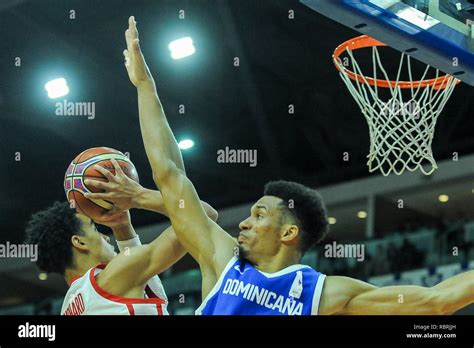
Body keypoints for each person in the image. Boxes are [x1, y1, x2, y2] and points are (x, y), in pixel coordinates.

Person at [86, 16, 474, 315]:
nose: (243, 223)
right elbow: (170, 172)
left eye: (258, 216)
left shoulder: (323, 293)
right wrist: (145, 87)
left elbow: (436, 302)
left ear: (289, 232)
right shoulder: (224, 263)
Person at [25, 163, 218, 315]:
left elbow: (137, 270)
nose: (106, 237)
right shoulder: (112, 277)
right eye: (95, 229)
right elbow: (204, 215)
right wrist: (138, 196)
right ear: (80, 242)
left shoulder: (70, 306)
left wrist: (122, 227)